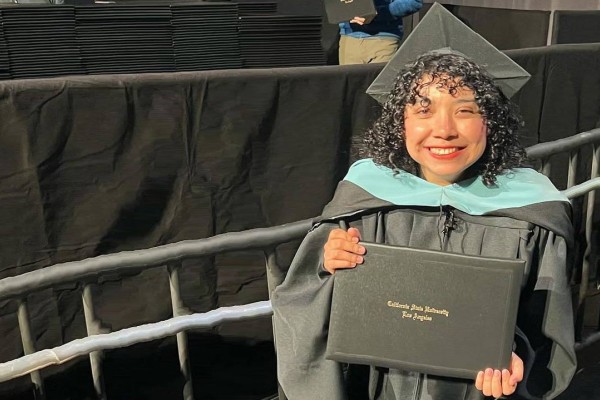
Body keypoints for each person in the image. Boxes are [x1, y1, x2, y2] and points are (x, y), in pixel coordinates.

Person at [271, 52, 576, 399]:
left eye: (465, 110)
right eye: (423, 110)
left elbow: (549, 334)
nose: (444, 130)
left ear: (490, 121)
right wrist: (325, 269)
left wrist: (518, 361)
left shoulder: (532, 213)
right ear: (401, 122)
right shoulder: (362, 199)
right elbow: (301, 306)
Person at [339, 0, 423, 65]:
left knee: (381, 86)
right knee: (351, 86)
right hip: (350, 38)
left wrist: (377, 13)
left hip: (384, 40)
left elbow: (413, 2)